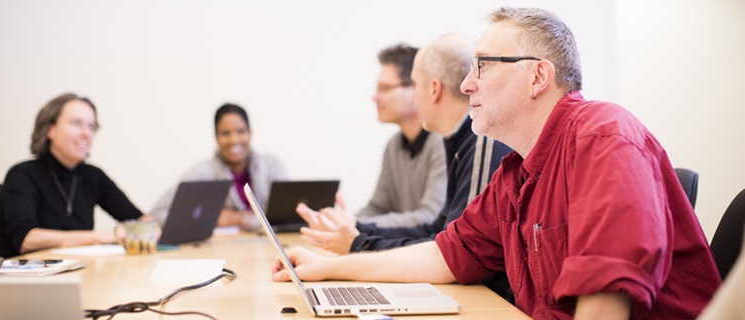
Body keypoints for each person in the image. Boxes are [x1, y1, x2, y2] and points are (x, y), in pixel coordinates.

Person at [273, 7, 721, 319]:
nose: (466, 84)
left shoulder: (603, 135)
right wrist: (327, 268)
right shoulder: (516, 174)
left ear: (538, 77)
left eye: (482, 66)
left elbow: (606, 295)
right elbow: (447, 255)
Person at [295, 34, 511, 256]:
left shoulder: (477, 140)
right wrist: (353, 228)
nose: (375, 97)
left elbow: (460, 252)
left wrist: (359, 243)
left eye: (384, 88)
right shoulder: (448, 139)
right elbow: (439, 230)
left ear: (433, 89)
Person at [0, 93, 146, 255]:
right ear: (50, 130)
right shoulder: (23, 174)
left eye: (91, 126)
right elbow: (26, 239)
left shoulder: (94, 176)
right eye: (77, 124)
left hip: (82, 271)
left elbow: (138, 220)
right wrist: (102, 237)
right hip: (38, 275)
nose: (86, 134)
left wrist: (152, 227)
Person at [151, 103, 287, 230]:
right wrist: (212, 218)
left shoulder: (271, 165)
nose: (234, 140)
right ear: (216, 137)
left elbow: (288, 214)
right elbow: (157, 214)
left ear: (250, 133)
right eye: (225, 133)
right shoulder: (203, 172)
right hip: (223, 250)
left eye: (241, 131)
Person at [354, 44, 447, 228]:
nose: (375, 97)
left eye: (384, 88)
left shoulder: (442, 143)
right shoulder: (394, 145)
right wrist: (342, 222)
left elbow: (431, 216)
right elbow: (377, 207)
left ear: (415, 90)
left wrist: (358, 225)